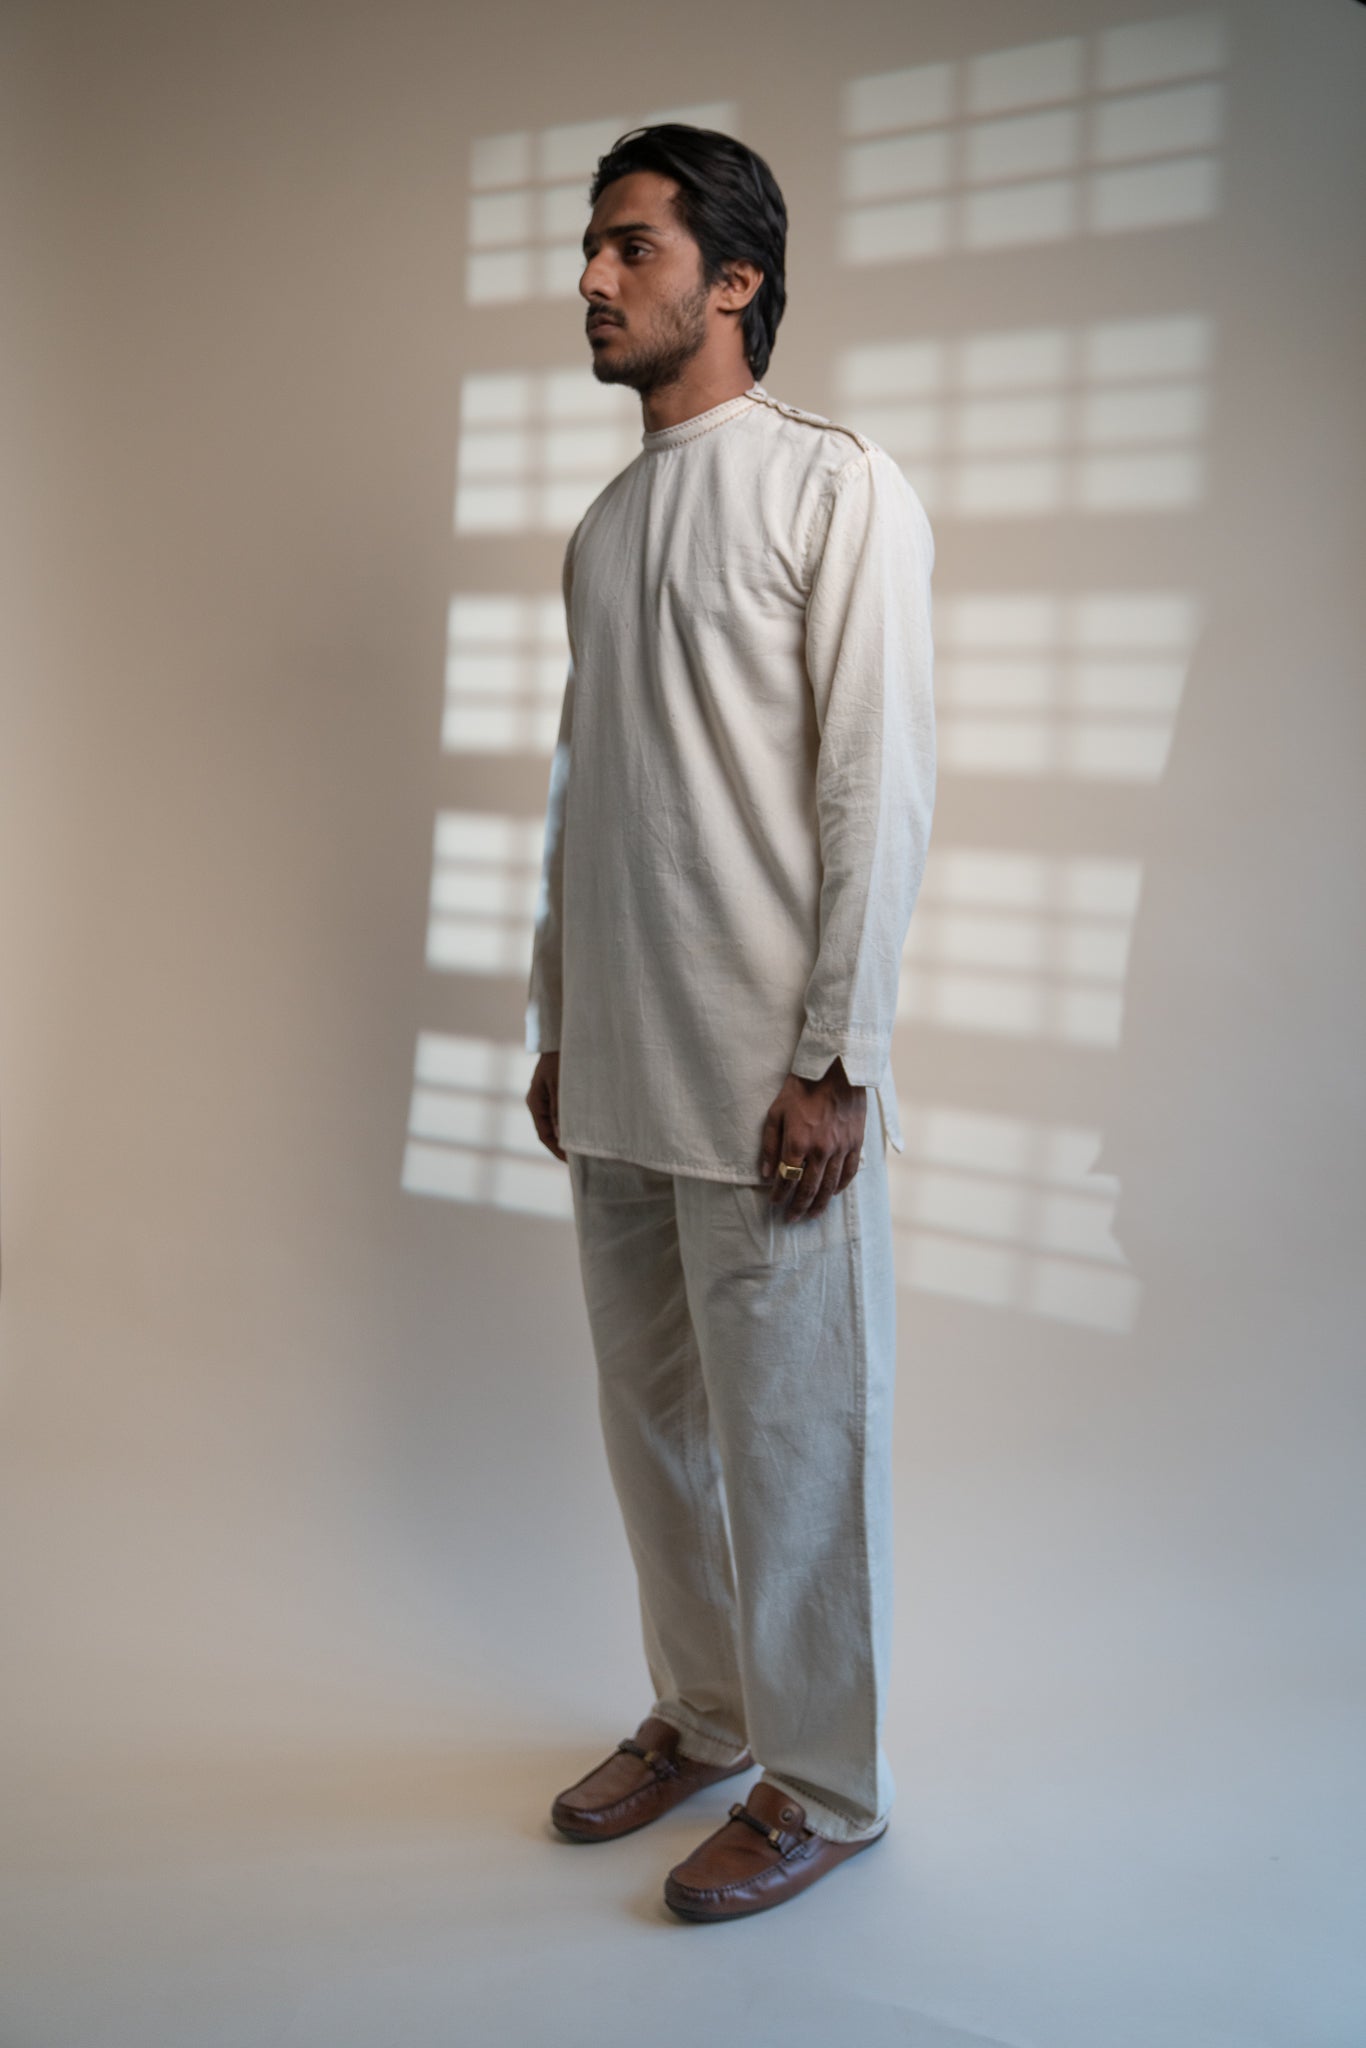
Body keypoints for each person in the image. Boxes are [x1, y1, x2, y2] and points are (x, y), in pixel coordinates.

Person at [524, 123, 935, 1922]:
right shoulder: (606, 527)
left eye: (632, 247)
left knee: (796, 1451)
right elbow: (585, 796)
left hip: (770, 1087)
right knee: (657, 1441)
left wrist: (838, 1057)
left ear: (736, 280)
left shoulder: (833, 487)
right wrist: (558, 1022)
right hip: (619, 1071)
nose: (592, 280)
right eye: (591, 248)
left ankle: (827, 1786)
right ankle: (702, 1720)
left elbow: (875, 787)